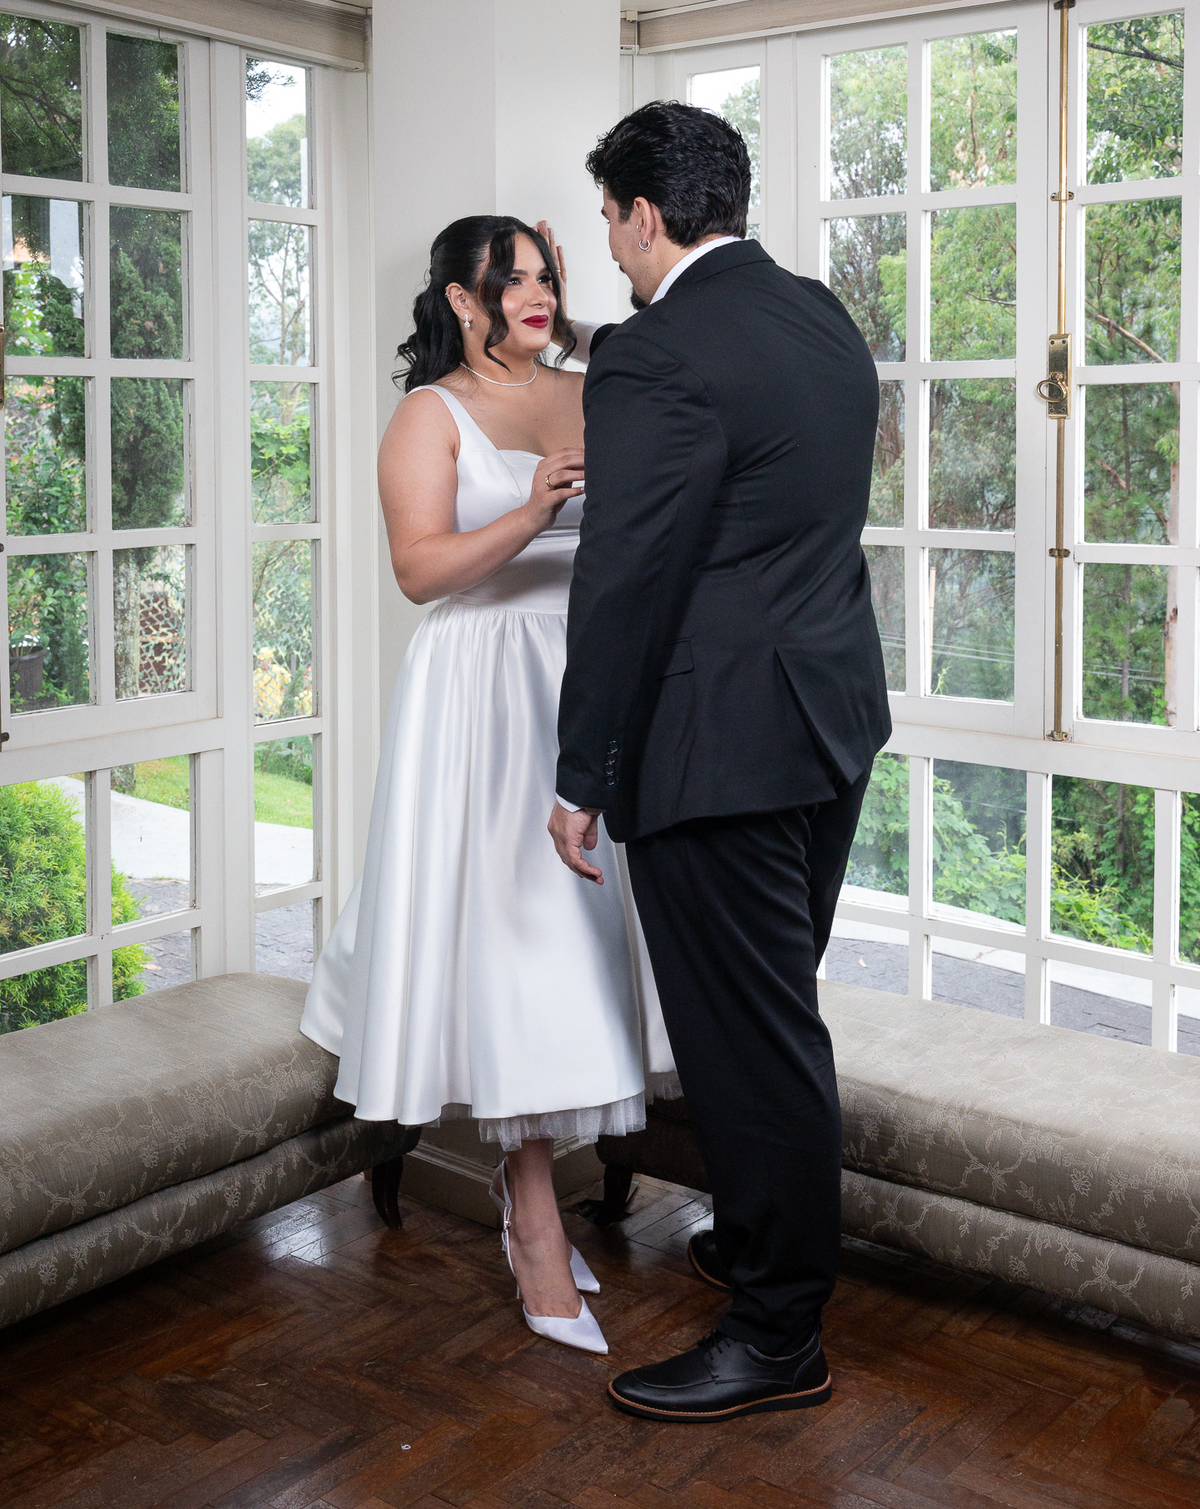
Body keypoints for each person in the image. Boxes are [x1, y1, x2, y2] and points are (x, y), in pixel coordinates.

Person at [548, 102, 891, 1421]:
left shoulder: (654, 353)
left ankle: (778, 1332)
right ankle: (757, 1245)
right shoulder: (819, 316)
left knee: (753, 1046)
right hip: (828, 724)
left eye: (610, 221)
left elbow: (624, 577)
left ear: (646, 213)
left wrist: (581, 772)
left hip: (717, 748)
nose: (610, 247)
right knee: (770, 1020)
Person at [301, 214, 676, 1356]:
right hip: (483, 689)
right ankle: (535, 1221)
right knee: (517, 940)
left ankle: (544, 1195)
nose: (534, 290)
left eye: (544, 271)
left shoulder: (594, 385)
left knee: (590, 941)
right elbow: (419, 571)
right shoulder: (429, 413)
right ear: (461, 301)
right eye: (509, 279)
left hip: (587, 676)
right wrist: (532, 510)